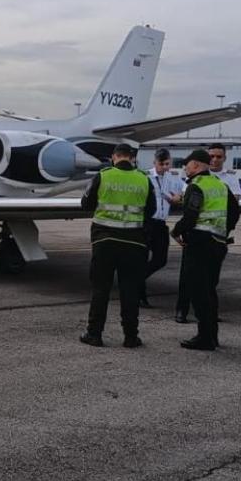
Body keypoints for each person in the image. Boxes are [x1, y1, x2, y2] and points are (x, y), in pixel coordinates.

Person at [79, 143, 157, 348]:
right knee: (130, 291)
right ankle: (131, 336)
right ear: (131, 158)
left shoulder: (103, 175)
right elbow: (152, 210)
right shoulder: (144, 179)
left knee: (100, 289)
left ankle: (94, 334)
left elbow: (85, 204)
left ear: (114, 157)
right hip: (134, 242)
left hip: (105, 241)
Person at [171, 149, 239, 350]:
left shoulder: (196, 186)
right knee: (209, 290)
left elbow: (191, 214)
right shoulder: (221, 185)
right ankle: (212, 336)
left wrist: (176, 232)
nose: (185, 167)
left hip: (200, 244)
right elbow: (235, 212)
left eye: (188, 164)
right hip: (218, 243)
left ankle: (204, 337)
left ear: (197, 165)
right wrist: (223, 231)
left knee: (198, 291)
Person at [138, 149, 185, 308]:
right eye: (161, 164)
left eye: (167, 164)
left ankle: (135, 280)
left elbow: (187, 189)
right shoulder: (145, 176)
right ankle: (140, 295)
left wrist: (180, 197)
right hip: (146, 224)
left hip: (160, 225)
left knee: (161, 260)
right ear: (154, 163)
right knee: (141, 259)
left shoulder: (173, 177)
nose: (165, 167)